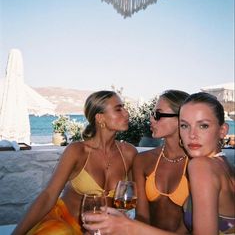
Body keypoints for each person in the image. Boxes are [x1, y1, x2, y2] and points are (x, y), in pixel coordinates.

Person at [83, 92, 235, 235]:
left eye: (203, 126)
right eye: (185, 125)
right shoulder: (221, 165)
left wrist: (127, 226)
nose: (192, 135)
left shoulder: (200, 165)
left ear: (223, 131)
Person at [12, 90, 137, 235]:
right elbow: (48, 195)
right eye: (118, 109)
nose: (126, 113)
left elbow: (132, 199)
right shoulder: (77, 151)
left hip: (103, 230)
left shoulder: (128, 153)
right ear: (100, 118)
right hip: (65, 224)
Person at [134, 90, 190, 233]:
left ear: (182, 119)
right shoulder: (143, 160)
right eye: (152, 114)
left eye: (158, 115)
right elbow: (141, 217)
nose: (151, 120)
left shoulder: (198, 165)